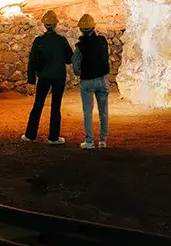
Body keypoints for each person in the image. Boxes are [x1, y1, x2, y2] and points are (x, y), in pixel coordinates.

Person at [21, 10, 72, 145]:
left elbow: (32, 60)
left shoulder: (39, 41)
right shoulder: (62, 40)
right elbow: (69, 59)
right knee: (56, 106)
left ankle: (30, 135)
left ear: (44, 25)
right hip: (59, 77)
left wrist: (31, 79)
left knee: (38, 105)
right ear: (55, 25)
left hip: (43, 76)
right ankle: (53, 138)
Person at [72, 14, 110, 149]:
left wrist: (81, 73)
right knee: (103, 111)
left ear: (81, 29)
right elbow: (105, 57)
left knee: (87, 111)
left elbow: (76, 66)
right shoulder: (102, 41)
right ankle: (103, 141)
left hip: (87, 81)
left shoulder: (79, 46)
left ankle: (89, 142)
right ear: (93, 27)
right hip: (102, 79)